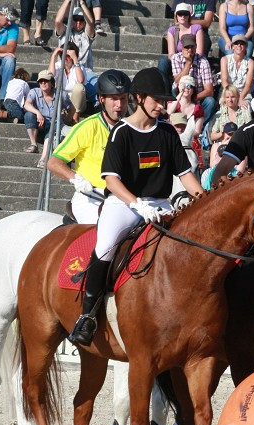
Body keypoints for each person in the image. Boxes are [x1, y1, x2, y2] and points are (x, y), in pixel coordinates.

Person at [68, 68, 203, 346]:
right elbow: (111, 179)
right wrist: (137, 204)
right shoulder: (122, 132)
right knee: (105, 247)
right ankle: (88, 315)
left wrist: (204, 198)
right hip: (123, 203)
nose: (161, 106)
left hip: (161, 204)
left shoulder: (166, 131)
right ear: (140, 98)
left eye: (164, 100)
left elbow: (185, 174)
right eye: (156, 100)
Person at [47, 69, 130, 225]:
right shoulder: (87, 127)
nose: (119, 105)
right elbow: (53, 163)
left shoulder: (132, 128)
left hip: (123, 199)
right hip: (91, 199)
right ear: (102, 99)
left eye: (123, 98)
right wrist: (75, 178)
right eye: (114, 99)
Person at [168, 34, 215, 125]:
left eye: (192, 47)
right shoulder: (176, 58)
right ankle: (177, 124)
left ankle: (199, 126)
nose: (190, 50)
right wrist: (188, 63)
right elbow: (177, 82)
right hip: (179, 93)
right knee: (174, 91)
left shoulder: (203, 62)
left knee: (210, 101)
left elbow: (209, 90)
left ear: (196, 47)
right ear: (182, 48)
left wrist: (191, 98)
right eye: (187, 47)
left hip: (196, 95)